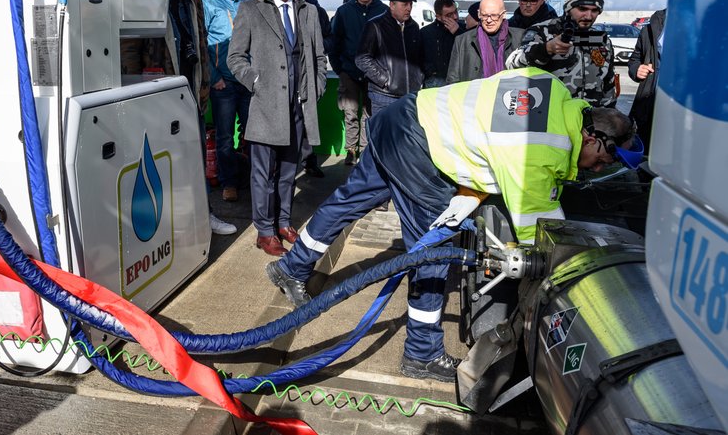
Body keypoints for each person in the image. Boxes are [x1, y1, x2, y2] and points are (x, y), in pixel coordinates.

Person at [265, 67, 638, 382]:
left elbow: (485, 125)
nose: (601, 168)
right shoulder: (542, 152)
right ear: (591, 135)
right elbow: (541, 236)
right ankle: (421, 353)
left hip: (402, 116)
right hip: (421, 149)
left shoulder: (550, 84)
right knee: (432, 253)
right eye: (606, 159)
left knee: (348, 202)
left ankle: (291, 267)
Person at [227, 0, 327, 256]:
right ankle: (265, 231)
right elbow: (235, 57)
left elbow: (319, 57)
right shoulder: (250, 9)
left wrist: (317, 87)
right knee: (262, 175)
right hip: (265, 108)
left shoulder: (308, 11)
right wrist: (255, 82)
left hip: (298, 107)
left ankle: (284, 223)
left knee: (287, 172)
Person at [164, 0, 235, 236]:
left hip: (192, 88)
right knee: (168, 160)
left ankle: (204, 215)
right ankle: (172, 223)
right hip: (161, 90)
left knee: (193, 156)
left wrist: (206, 79)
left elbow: (202, 41)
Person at [506, 0, 616, 107]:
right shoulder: (542, 31)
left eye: (594, 10)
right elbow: (513, 65)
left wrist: (607, 115)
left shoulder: (602, 41)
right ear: (568, 7)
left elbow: (608, 86)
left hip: (591, 121)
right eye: (582, 9)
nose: (588, 16)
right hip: (553, 119)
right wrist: (546, 49)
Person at [202, 0, 254, 203]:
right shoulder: (207, 2)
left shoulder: (251, 2)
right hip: (223, 83)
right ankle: (228, 183)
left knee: (253, 134)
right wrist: (214, 78)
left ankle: (256, 180)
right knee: (224, 138)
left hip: (248, 82)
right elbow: (201, 44)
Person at [329, 0, 387, 165]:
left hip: (374, 73)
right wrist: (340, 70)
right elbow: (334, 42)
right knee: (351, 113)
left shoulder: (383, 11)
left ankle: (365, 150)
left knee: (369, 114)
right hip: (349, 72)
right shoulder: (344, 11)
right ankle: (351, 150)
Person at [355, 0, 424, 116]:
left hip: (409, 95)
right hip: (384, 96)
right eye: (404, 4)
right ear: (392, 5)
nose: (409, 8)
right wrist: (384, 79)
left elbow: (419, 57)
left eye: (411, 4)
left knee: (404, 135)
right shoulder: (375, 25)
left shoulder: (413, 27)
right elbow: (362, 58)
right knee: (384, 135)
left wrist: (419, 77)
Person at [294, 0, 329, 179]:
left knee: (308, 124)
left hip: (310, 77)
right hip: (290, 79)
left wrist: (320, 80)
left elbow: (328, 40)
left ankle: (309, 162)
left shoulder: (315, 11)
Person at [446, 0, 523, 84]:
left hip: (509, 95)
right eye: (485, 15)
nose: (489, 20)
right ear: (479, 14)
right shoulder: (462, 41)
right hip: (474, 96)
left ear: (504, 15)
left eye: (494, 15)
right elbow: (452, 80)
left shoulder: (520, 37)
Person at [628, 8, 665, 150]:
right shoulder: (652, 27)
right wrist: (637, 69)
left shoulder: (708, 27)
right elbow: (635, 59)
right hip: (650, 107)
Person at [420, 0, 459, 88]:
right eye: (449, 15)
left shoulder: (462, 29)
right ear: (438, 17)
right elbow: (419, 57)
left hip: (458, 79)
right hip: (435, 80)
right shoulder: (426, 32)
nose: (455, 17)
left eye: (456, 12)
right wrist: (430, 71)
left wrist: (458, 34)